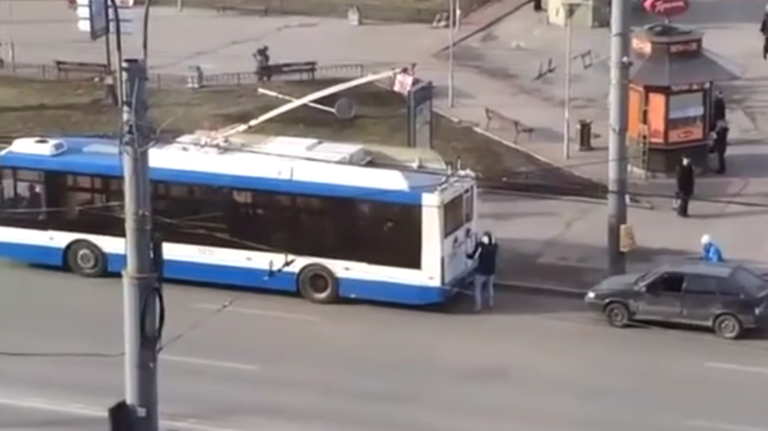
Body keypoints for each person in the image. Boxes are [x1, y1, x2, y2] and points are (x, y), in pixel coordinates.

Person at [466, 231, 498, 312]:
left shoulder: (481, 246)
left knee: (477, 287)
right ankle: (491, 302)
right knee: (490, 286)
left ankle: (478, 306)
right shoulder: (495, 245)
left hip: (482, 270)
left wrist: (467, 255)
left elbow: (474, 256)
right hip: (492, 270)